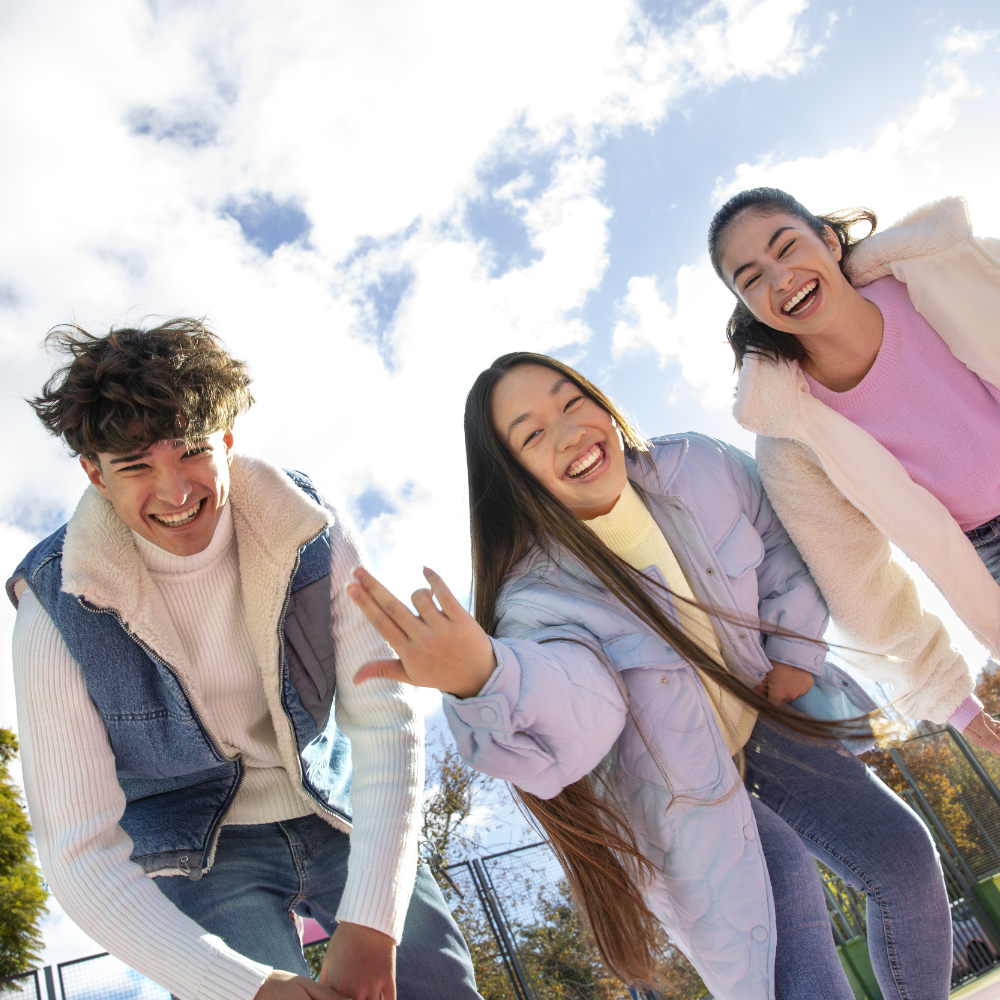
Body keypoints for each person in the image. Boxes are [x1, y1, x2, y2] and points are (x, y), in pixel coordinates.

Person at [345, 352, 953, 1000]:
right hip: (676, 783)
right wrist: (485, 677)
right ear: (513, 476)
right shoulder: (533, 595)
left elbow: (778, 544)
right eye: (531, 433)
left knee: (905, 858)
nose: (569, 431)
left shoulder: (698, 466)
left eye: (572, 401)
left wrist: (792, 655)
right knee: (782, 893)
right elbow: (580, 706)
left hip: (759, 711)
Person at [7, 319, 480, 1000]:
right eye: (136, 467)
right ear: (95, 474)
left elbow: (385, 718)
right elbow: (80, 854)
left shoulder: (308, 525)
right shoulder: (54, 605)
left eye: (192, 452)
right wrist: (248, 989)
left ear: (227, 440)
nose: (175, 494)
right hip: (194, 852)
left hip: (339, 807)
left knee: (439, 987)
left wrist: (373, 925)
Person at [707, 188, 1000, 753]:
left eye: (787, 246)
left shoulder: (938, 272)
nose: (781, 278)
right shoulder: (793, 432)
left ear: (830, 240)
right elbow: (858, 587)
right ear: (747, 304)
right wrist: (951, 700)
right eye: (751, 278)